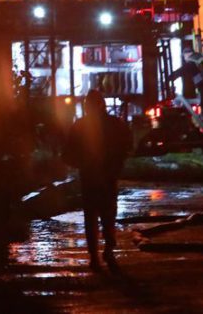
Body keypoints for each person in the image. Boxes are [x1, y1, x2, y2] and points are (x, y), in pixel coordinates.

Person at [62, 90, 132, 272]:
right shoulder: (115, 124)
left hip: (90, 177)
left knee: (91, 217)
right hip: (107, 176)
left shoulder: (80, 125)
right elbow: (127, 146)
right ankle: (107, 250)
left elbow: (68, 154)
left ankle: (95, 256)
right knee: (108, 215)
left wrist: (82, 162)